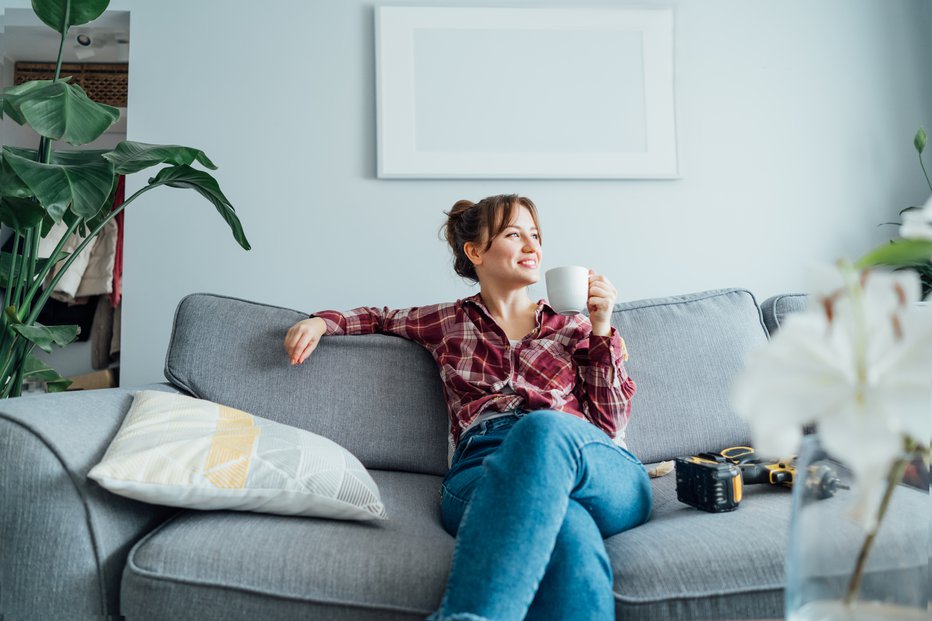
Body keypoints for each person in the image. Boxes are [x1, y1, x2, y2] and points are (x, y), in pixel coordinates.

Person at [283, 194, 652, 621]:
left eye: (536, 235)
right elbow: (378, 318)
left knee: (543, 429)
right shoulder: (448, 322)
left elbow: (609, 423)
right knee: (568, 532)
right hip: (483, 471)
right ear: (475, 252)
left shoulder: (576, 326)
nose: (533, 246)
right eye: (515, 234)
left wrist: (602, 328)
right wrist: (320, 321)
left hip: (593, 469)